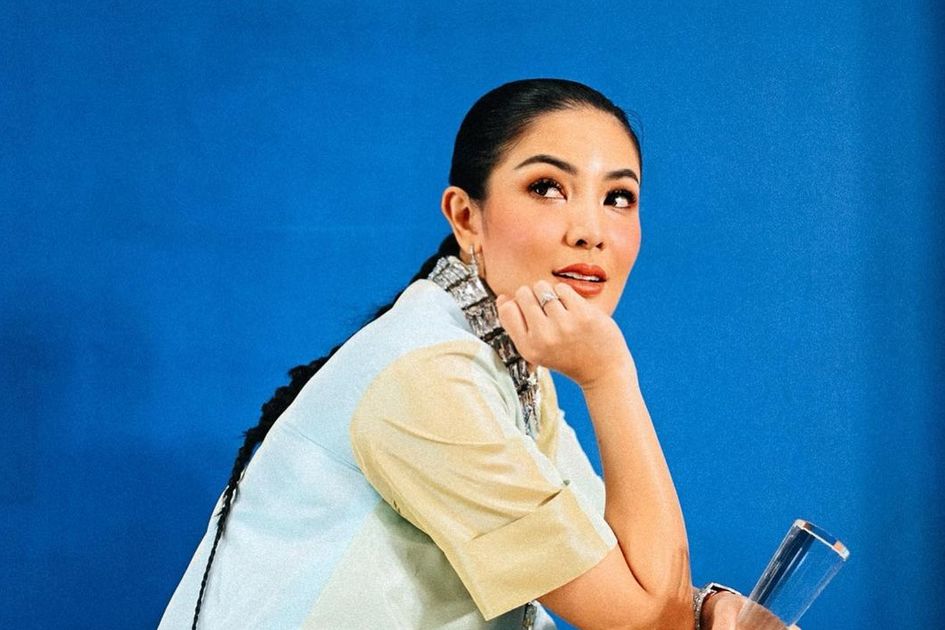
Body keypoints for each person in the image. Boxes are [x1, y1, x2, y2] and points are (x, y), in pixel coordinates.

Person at [159, 78, 782, 629]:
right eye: (547, 187)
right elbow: (645, 620)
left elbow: (628, 574)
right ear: (466, 217)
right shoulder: (429, 375)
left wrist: (708, 607)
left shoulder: (507, 360)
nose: (591, 231)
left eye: (618, 197)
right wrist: (610, 375)